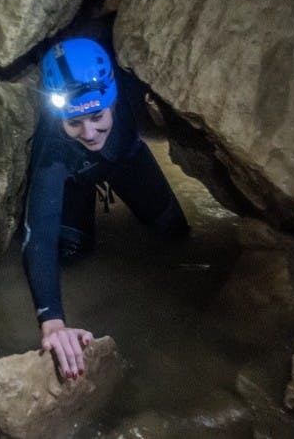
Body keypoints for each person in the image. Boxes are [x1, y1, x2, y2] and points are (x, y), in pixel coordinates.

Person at [22, 37, 189, 380]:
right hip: (77, 180)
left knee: (175, 233)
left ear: (112, 99)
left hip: (128, 158)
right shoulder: (54, 147)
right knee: (73, 252)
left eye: (97, 115)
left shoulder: (129, 85)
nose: (89, 132)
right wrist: (52, 320)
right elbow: (39, 234)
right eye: (74, 123)